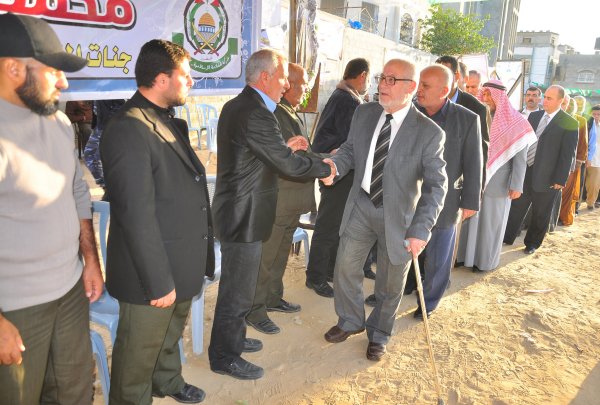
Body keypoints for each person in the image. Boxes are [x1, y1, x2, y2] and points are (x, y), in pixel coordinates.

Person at [208, 49, 332, 380]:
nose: (286, 84)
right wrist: (325, 169)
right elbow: (286, 165)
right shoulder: (256, 113)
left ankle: (232, 339)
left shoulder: (240, 106)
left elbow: (258, 155)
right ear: (265, 77)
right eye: (283, 78)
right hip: (244, 214)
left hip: (240, 210)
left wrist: (284, 149)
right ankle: (224, 356)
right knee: (237, 292)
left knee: (238, 287)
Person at [100, 39, 213, 404]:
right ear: (162, 79)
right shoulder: (129, 127)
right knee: (137, 357)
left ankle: (167, 381)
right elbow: (135, 214)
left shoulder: (165, 119)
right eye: (186, 75)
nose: (191, 82)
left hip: (178, 261)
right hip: (149, 273)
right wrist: (157, 281)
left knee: (168, 337)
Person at [0, 13, 103, 403]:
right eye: (53, 71)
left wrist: (89, 261)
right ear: (13, 69)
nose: (64, 82)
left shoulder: (58, 123)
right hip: (16, 307)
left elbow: (77, 191)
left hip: (70, 289)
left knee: (75, 393)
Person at [322, 59, 447, 362]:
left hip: (400, 216)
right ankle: (350, 320)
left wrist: (421, 229)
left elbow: (436, 186)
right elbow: (349, 150)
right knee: (345, 266)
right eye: (382, 78)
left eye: (392, 80)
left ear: (411, 87)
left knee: (390, 283)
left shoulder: (429, 133)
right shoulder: (364, 113)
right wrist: (334, 167)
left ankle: (379, 333)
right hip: (362, 204)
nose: (382, 85)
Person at [245, 63, 323, 334]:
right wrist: (325, 163)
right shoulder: (274, 113)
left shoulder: (288, 110)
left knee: (280, 254)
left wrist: (323, 157)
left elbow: (303, 151)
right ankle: (255, 310)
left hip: (291, 200)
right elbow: (291, 157)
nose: (303, 89)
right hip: (279, 199)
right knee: (266, 258)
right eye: (300, 83)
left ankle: (272, 297)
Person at [403, 64, 483, 317]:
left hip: (445, 200)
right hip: (408, 196)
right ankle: (402, 287)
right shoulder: (408, 113)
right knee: (404, 247)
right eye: (419, 83)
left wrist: (470, 201)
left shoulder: (467, 119)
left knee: (438, 256)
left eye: (425, 85)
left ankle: (428, 303)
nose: (419, 89)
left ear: (444, 91)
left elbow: (474, 162)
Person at [305, 58, 371, 298]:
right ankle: (316, 277)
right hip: (336, 171)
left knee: (337, 225)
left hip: (337, 170)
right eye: (370, 78)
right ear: (362, 75)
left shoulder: (343, 96)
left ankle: (327, 271)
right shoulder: (347, 100)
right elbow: (350, 141)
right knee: (328, 225)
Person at [457, 80, 535, 271]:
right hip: (474, 179)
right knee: (469, 220)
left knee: (490, 224)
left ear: (500, 97)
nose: (485, 98)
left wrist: (516, 185)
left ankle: (484, 262)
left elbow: (520, 158)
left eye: (489, 94)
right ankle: (463, 257)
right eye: (483, 94)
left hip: (498, 183)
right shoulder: (477, 115)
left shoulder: (516, 121)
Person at [503, 85, 578, 254]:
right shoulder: (534, 116)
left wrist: (560, 179)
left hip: (548, 177)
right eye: (545, 97)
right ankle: (507, 237)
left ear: (561, 101)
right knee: (516, 206)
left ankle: (532, 243)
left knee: (541, 212)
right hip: (526, 171)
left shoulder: (570, 123)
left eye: (550, 98)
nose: (545, 101)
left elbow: (568, 154)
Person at [436, 56, 489, 182]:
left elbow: (480, 154)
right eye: (436, 75)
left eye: (444, 75)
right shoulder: (423, 104)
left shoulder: (476, 108)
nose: (439, 80)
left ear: (457, 76)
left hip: (456, 182)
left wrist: (477, 188)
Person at [83, 99, 126, 192]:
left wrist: (110, 123)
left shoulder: (110, 92)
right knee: (89, 155)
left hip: (109, 127)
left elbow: (121, 106)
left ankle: (110, 187)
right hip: (99, 127)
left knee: (100, 158)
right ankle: (105, 185)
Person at [559, 97, 588, 225]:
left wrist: (579, 161)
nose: (570, 106)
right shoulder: (558, 118)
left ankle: (563, 217)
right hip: (556, 160)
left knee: (567, 191)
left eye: (572, 104)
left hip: (572, 163)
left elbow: (583, 142)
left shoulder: (580, 120)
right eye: (567, 103)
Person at [584, 105, 600, 209]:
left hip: (597, 159)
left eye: (598, 114)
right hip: (584, 157)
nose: (596, 116)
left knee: (594, 184)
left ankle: (590, 202)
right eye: (594, 114)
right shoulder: (586, 124)